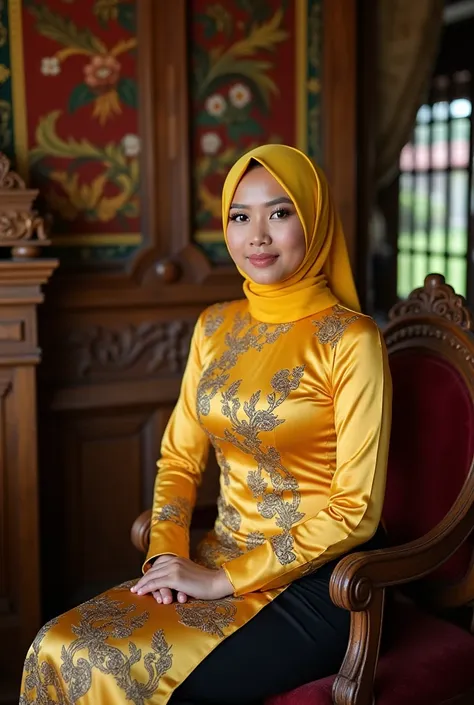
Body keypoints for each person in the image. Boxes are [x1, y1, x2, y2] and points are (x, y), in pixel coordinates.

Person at [20, 144, 392, 705]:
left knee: (151, 683)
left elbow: (357, 510)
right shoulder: (214, 326)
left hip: (322, 584)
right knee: (57, 646)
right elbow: (179, 459)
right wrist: (168, 557)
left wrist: (222, 582)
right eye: (240, 217)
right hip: (214, 553)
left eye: (280, 212)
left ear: (313, 220)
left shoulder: (352, 340)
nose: (257, 236)